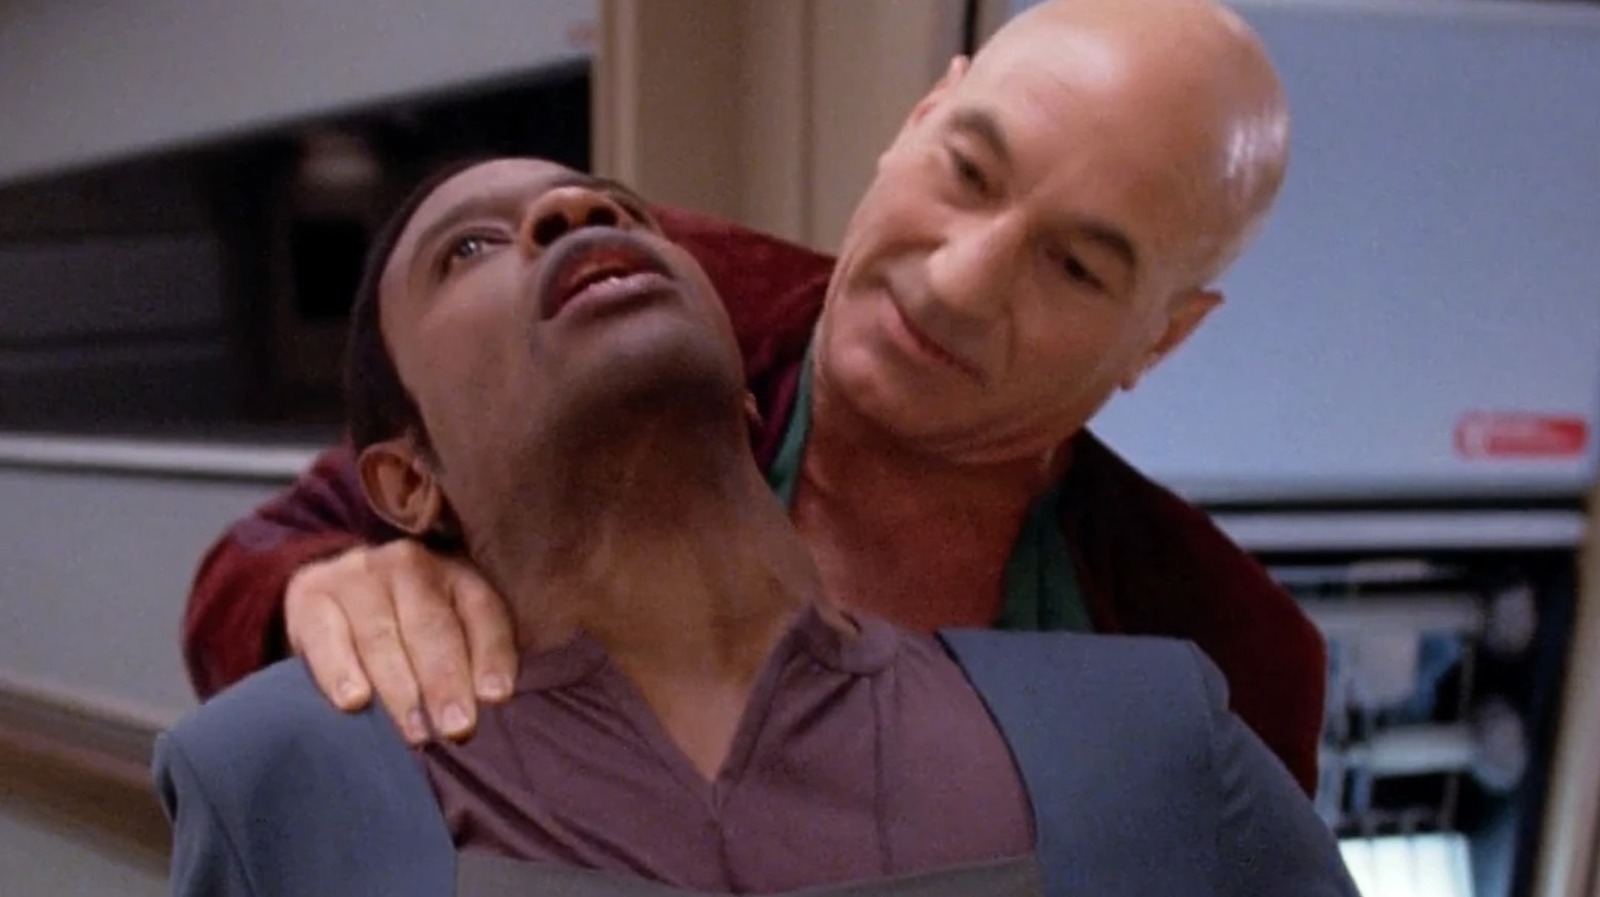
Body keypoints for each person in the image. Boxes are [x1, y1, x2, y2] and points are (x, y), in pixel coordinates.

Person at [182, 0, 1328, 792]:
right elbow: (262, 561)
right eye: (968, 172)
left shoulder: (1219, 657)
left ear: (1161, 338)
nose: (956, 283)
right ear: (918, 121)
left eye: (1075, 267)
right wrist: (326, 589)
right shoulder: (640, 310)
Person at [155, 156, 1358, 897]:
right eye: (466, 249)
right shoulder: (281, 780)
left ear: (745, 386)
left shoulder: (1151, 737)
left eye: (618, 207)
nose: (574, 208)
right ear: (408, 485)